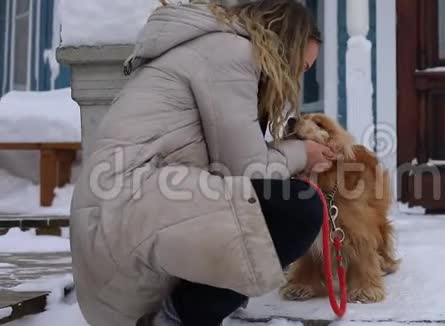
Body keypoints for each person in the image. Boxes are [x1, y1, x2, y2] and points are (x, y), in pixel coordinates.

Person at [68, 1, 335, 325]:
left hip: (117, 228)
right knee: (297, 209)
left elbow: (233, 165)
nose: (296, 77)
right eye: (301, 66)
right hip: (123, 227)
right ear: (285, 43)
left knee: (278, 199)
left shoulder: (215, 48)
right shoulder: (231, 54)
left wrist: (290, 157)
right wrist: (302, 153)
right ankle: (176, 318)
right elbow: (249, 172)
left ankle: (198, 306)